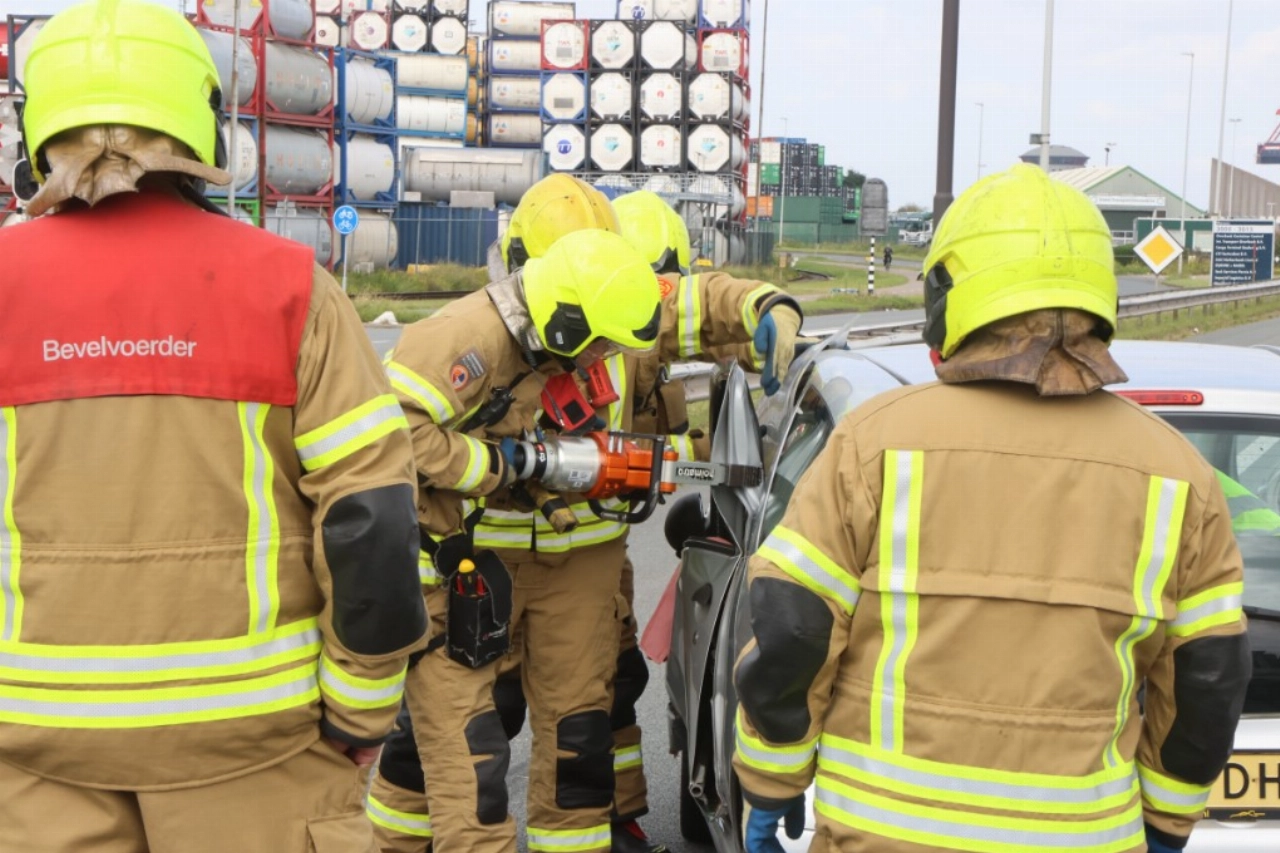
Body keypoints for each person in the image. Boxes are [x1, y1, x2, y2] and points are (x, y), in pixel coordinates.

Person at [0, 2, 429, 851]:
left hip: (32, 747)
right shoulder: (289, 289)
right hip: (260, 747)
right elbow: (372, 519)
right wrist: (360, 710)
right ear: (203, 123)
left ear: (36, 125)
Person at [733, 164, 1250, 853]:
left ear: (949, 292)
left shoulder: (874, 444)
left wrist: (772, 779)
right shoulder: (1181, 476)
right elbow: (1209, 678)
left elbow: (793, 628)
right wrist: (1165, 821)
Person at [379, 183, 666, 853]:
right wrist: (495, 466)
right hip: (468, 573)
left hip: (575, 569)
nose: (603, 363)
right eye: (593, 350)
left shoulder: (609, 302)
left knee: (579, 740)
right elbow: (388, 429)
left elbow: (692, 307)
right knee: (465, 753)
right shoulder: (468, 338)